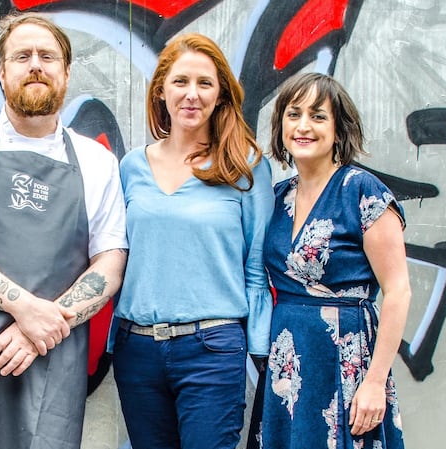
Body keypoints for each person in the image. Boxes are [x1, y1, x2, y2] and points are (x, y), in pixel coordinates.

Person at [0, 12, 128, 449]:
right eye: (22, 55)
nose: (36, 64)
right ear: (2, 71)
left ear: (66, 72)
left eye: (47, 56)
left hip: (53, 352)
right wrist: (26, 309)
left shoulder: (97, 161)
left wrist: (41, 327)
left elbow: (110, 262)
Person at [111, 33, 274, 449]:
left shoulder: (245, 167)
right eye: (181, 81)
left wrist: (258, 351)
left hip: (212, 350)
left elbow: (256, 267)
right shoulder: (131, 166)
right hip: (138, 350)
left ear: (220, 96)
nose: (192, 94)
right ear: (161, 90)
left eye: (205, 83)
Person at [260, 72, 410, 448]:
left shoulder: (362, 192)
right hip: (288, 363)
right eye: (293, 115)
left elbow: (398, 291)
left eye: (318, 116)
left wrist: (374, 381)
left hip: (346, 359)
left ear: (338, 129)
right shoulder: (276, 197)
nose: (303, 126)